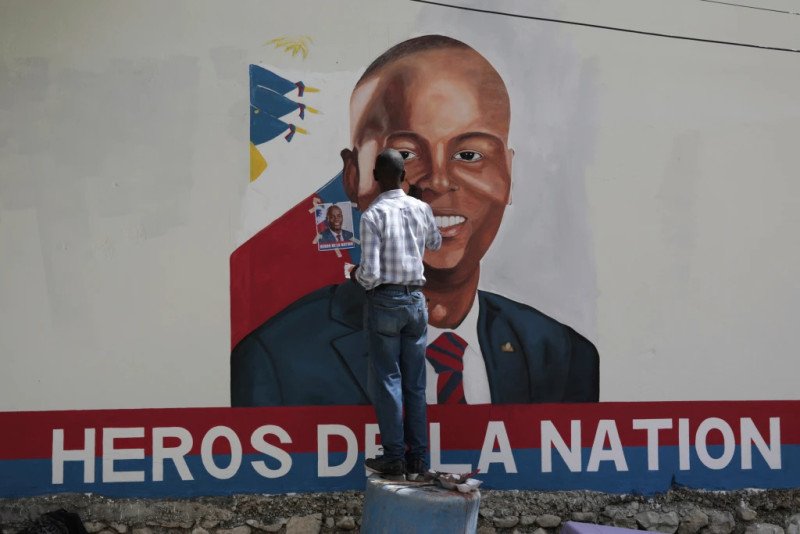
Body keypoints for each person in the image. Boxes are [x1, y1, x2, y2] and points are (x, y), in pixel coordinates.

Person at [231, 35, 599, 407]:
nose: (437, 181)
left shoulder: (564, 358)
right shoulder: (276, 362)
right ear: (353, 176)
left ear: (507, 174)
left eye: (469, 155)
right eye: (404, 155)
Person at [353, 148, 441, 479]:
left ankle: (394, 458)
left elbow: (371, 274)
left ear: (375, 177)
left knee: (389, 380)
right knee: (415, 384)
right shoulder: (421, 209)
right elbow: (435, 243)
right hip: (415, 301)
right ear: (404, 176)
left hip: (385, 303)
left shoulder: (372, 216)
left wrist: (355, 276)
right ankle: (418, 459)